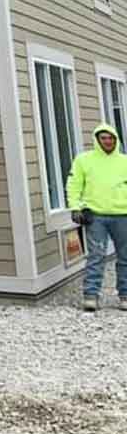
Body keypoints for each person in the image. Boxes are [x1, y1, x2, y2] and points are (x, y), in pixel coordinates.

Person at [67, 123, 127, 311]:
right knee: (96, 255)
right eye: (103, 138)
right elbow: (74, 184)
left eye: (111, 138)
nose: (108, 141)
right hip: (95, 216)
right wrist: (75, 207)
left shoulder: (124, 161)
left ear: (116, 140)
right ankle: (91, 296)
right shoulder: (84, 160)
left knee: (125, 257)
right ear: (97, 140)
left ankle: (125, 295)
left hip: (123, 215)